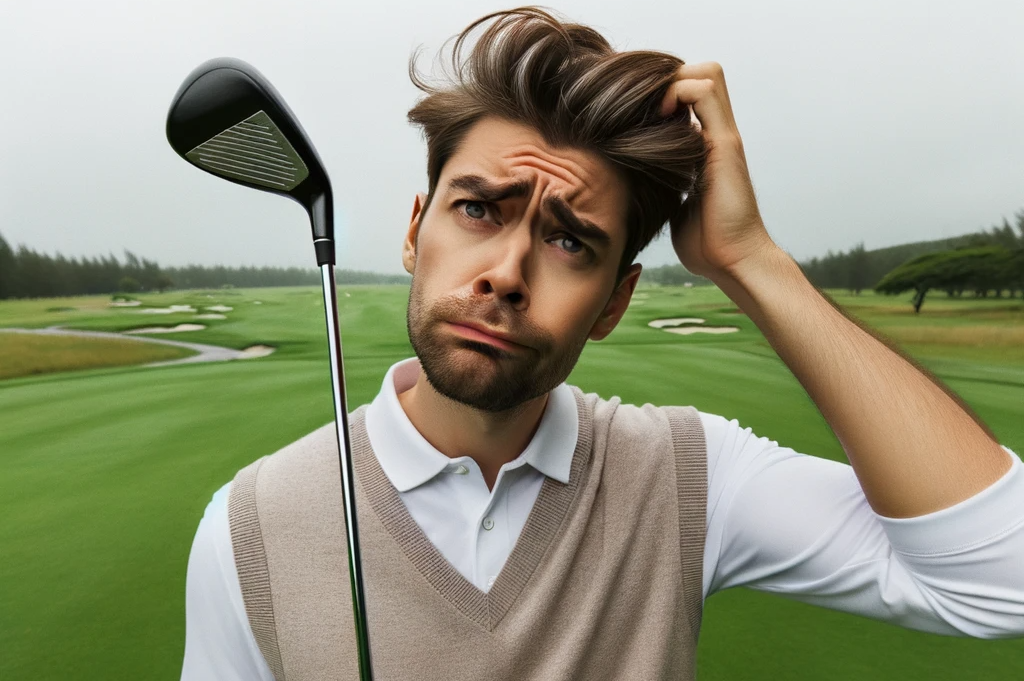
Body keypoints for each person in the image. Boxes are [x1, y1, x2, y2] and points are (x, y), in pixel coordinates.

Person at [180, 7, 1024, 680]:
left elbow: (1001, 578)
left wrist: (750, 258)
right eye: (479, 208)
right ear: (414, 230)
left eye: (570, 241)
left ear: (616, 300)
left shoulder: (690, 478)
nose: (506, 272)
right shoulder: (247, 528)